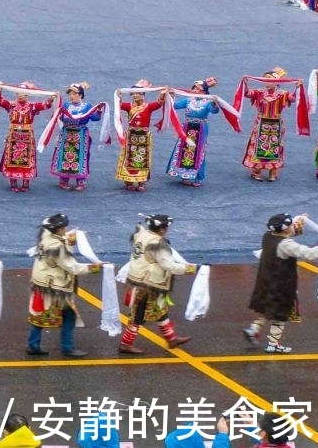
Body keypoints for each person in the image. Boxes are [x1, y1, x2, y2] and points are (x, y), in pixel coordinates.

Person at [27, 212, 102, 358]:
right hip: (54, 285)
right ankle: (67, 347)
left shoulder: (45, 235)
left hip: (41, 280)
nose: (66, 230)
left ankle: (33, 344)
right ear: (59, 229)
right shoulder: (58, 247)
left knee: (40, 314)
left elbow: (60, 238)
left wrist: (70, 238)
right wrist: (93, 268)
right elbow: (72, 267)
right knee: (69, 315)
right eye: (64, 228)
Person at [119, 214, 196, 354]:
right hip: (147, 284)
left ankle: (171, 339)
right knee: (138, 316)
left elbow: (138, 230)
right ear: (161, 229)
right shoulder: (158, 244)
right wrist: (190, 268)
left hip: (139, 280)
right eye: (165, 227)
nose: (167, 230)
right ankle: (125, 344)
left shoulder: (142, 234)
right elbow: (169, 265)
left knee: (160, 311)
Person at [246, 213, 318, 353]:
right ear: (286, 229)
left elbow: (286, 235)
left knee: (268, 309)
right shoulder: (285, 245)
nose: (294, 226)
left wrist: (298, 222)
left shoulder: (268, 236)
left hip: (266, 281)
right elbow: (309, 254)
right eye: (292, 225)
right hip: (282, 286)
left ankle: (254, 329)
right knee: (280, 315)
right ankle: (273, 344)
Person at [0, 83, 55, 194]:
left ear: (27, 95)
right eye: (18, 93)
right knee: (12, 158)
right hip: (13, 136)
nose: (21, 96)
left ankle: (26, 182)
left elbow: (45, 105)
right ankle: (13, 182)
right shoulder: (11, 105)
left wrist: (51, 99)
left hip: (27, 137)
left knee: (27, 159)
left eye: (23, 94)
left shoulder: (32, 106)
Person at [166, 79, 224, 187]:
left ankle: (198, 177)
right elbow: (174, 106)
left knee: (199, 151)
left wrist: (215, 104)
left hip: (201, 128)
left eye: (198, 89)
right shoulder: (188, 100)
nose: (195, 90)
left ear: (204, 91)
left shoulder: (207, 101)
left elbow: (214, 110)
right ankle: (184, 175)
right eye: (194, 88)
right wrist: (171, 95)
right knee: (184, 149)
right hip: (187, 128)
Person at [116, 82, 170, 192]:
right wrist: (118, 96)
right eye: (134, 94)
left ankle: (141, 182)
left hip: (144, 137)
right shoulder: (129, 106)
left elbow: (159, 103)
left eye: (138, 93)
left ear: (143, 94)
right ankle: (129, 181)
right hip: (131, 136)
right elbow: (119, 104)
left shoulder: (148, 107)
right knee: (129, 159)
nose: (136, 95)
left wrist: (162, 94)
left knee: (143, 159)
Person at [50, 84, 103, 191]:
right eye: (70, 93)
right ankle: (63, 180)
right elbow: (58, 117)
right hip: (66, 134)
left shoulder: (87, 107)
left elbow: (95, 118)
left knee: (80, 156)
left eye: (74, 93)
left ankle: (80, 180)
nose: (71, 96)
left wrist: (99, 111)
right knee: (64, 155)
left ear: (80, 95)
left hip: (81, 135)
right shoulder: (65, 105)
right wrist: (55, 109)